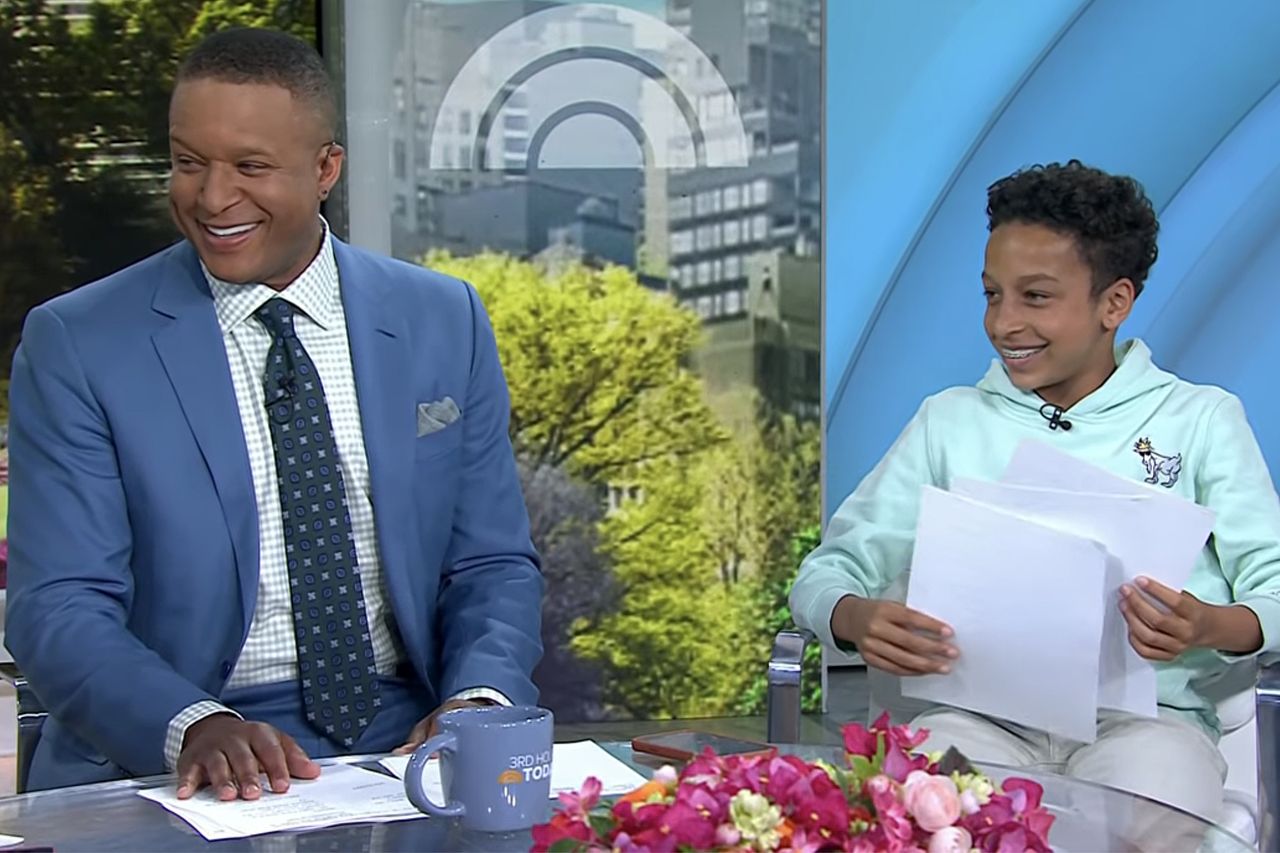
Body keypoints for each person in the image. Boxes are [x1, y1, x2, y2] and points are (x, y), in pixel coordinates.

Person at [5, 27, 543, 797]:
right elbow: (58, 605)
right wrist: (191, 724)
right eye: (189, 162)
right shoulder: (80, 343)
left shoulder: (442, 317)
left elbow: (491, 563)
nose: (212, 197)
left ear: (326, 169)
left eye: (249, 167)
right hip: (176, 754)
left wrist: (478, 702)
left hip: (408, 746)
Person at [791, 160, 1280, 822]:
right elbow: (825, 572)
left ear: (1115, 303)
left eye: (1036, 297)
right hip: (974, 723)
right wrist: (853, 617)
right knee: (920, 812)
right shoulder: (949, 422)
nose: (1004, 323)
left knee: (1140, 813)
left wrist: (1211, 625)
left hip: (1151, 728)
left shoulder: (1201, 421)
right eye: (993, 294)